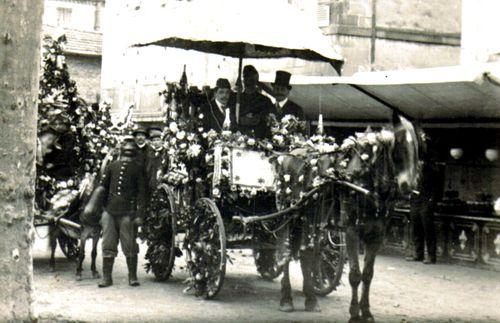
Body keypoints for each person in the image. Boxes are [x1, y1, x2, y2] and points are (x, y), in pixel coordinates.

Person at [83, 136, 146, 287]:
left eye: (130, 153)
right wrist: (94, 207)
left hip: (128, 213)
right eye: (125, 152)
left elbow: (142, 194)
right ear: (121, 152)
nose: (127, 156)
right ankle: (107, 278)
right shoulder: (112, 166)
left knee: (129, 244)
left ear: (134, 154)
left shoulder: (138, 169)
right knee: (108, 244)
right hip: (110, 211)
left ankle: (132, 276)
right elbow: (102, 188)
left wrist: (139, 215)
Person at [406, 128, 441, 264]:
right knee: (415, 227)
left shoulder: (432, 171)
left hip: (426, 201)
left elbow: (437, 188)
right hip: (415, 200)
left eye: (420, 160)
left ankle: (431, 256)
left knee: (428, 229)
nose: (418, 163)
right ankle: (418, 254)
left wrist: (432, 201)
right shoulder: (413, 172)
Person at [237, 65, 274, 139]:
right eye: (247, 78)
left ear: (257, 80)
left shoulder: (265, 100)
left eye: (252, 79)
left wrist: (256, 118)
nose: (249, 81)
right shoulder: (237, 99)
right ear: (243, 80)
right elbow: (234, 120)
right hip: (239, 137)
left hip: (260, 138)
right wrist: (243, 120)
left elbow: (269, 119)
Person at [145, 127, 165, 198]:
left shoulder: (166, 153)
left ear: (162, 141)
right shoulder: (149, 153)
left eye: (158, 140)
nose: (156, 142)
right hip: (150, 181)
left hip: (162, 180)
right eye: (154, 140)